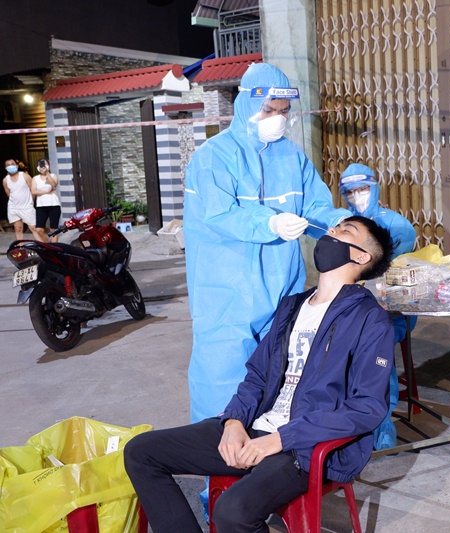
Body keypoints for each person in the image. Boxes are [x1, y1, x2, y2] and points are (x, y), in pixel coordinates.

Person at [124, 216, 395, 533]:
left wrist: (281, 439)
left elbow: (367, 407)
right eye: (334, 227)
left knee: (232, 512)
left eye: (346, 231)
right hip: (256, 428)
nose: (332, 233)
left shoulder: (370, 319)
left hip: (304, 446)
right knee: (141, 452)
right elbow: (257, 375)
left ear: (362, 257)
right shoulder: (292, 306)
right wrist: (234, 421)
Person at [183, 62, 352, 424]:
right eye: (269, 110)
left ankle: (264, 463)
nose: (277, 118)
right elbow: (219, 214)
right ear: (247, 105)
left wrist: (344, 226)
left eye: (284, 112)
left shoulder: (292, 157)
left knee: (278, 377)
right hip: (226, 294)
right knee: (224, 382)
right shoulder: (214, 156)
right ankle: (216, 474)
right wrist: (270, 222)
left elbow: (315, 207)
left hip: (281, 289)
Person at [338, 163, 417, 449]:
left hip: (390, 309)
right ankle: (344, 420)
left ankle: (380, 425)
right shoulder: (342, 224)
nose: (357, 195)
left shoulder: (396, 225)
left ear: (375, 187)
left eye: (363, 188)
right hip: (351, 306)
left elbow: (395, 274)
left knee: (371, 351)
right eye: (350, 191)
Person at [3, 158, 44, 242]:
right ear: (5, 168)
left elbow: (33, 190)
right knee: (18, 229)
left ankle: (44, 248)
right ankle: (21, 250)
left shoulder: (25, 176)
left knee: (34, 229)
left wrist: (31, 202)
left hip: (27, 207)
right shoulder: (5, 180)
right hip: (14, 208)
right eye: (8, 165)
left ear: (17, 166)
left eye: (12, 164)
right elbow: (8, 193)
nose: (10, 166)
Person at [31, 159, 61, 242]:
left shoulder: (53, 175)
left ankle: (54, 248)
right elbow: (33, 191)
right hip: (41, 206)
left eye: (44, 164)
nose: (42, 167)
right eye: (40, 165)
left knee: (53, 229)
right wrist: (46, 191)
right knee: (39, 230)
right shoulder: (35, 178)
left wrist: (47, 173)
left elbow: (54, 184)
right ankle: (47, 244)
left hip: (54, 205)